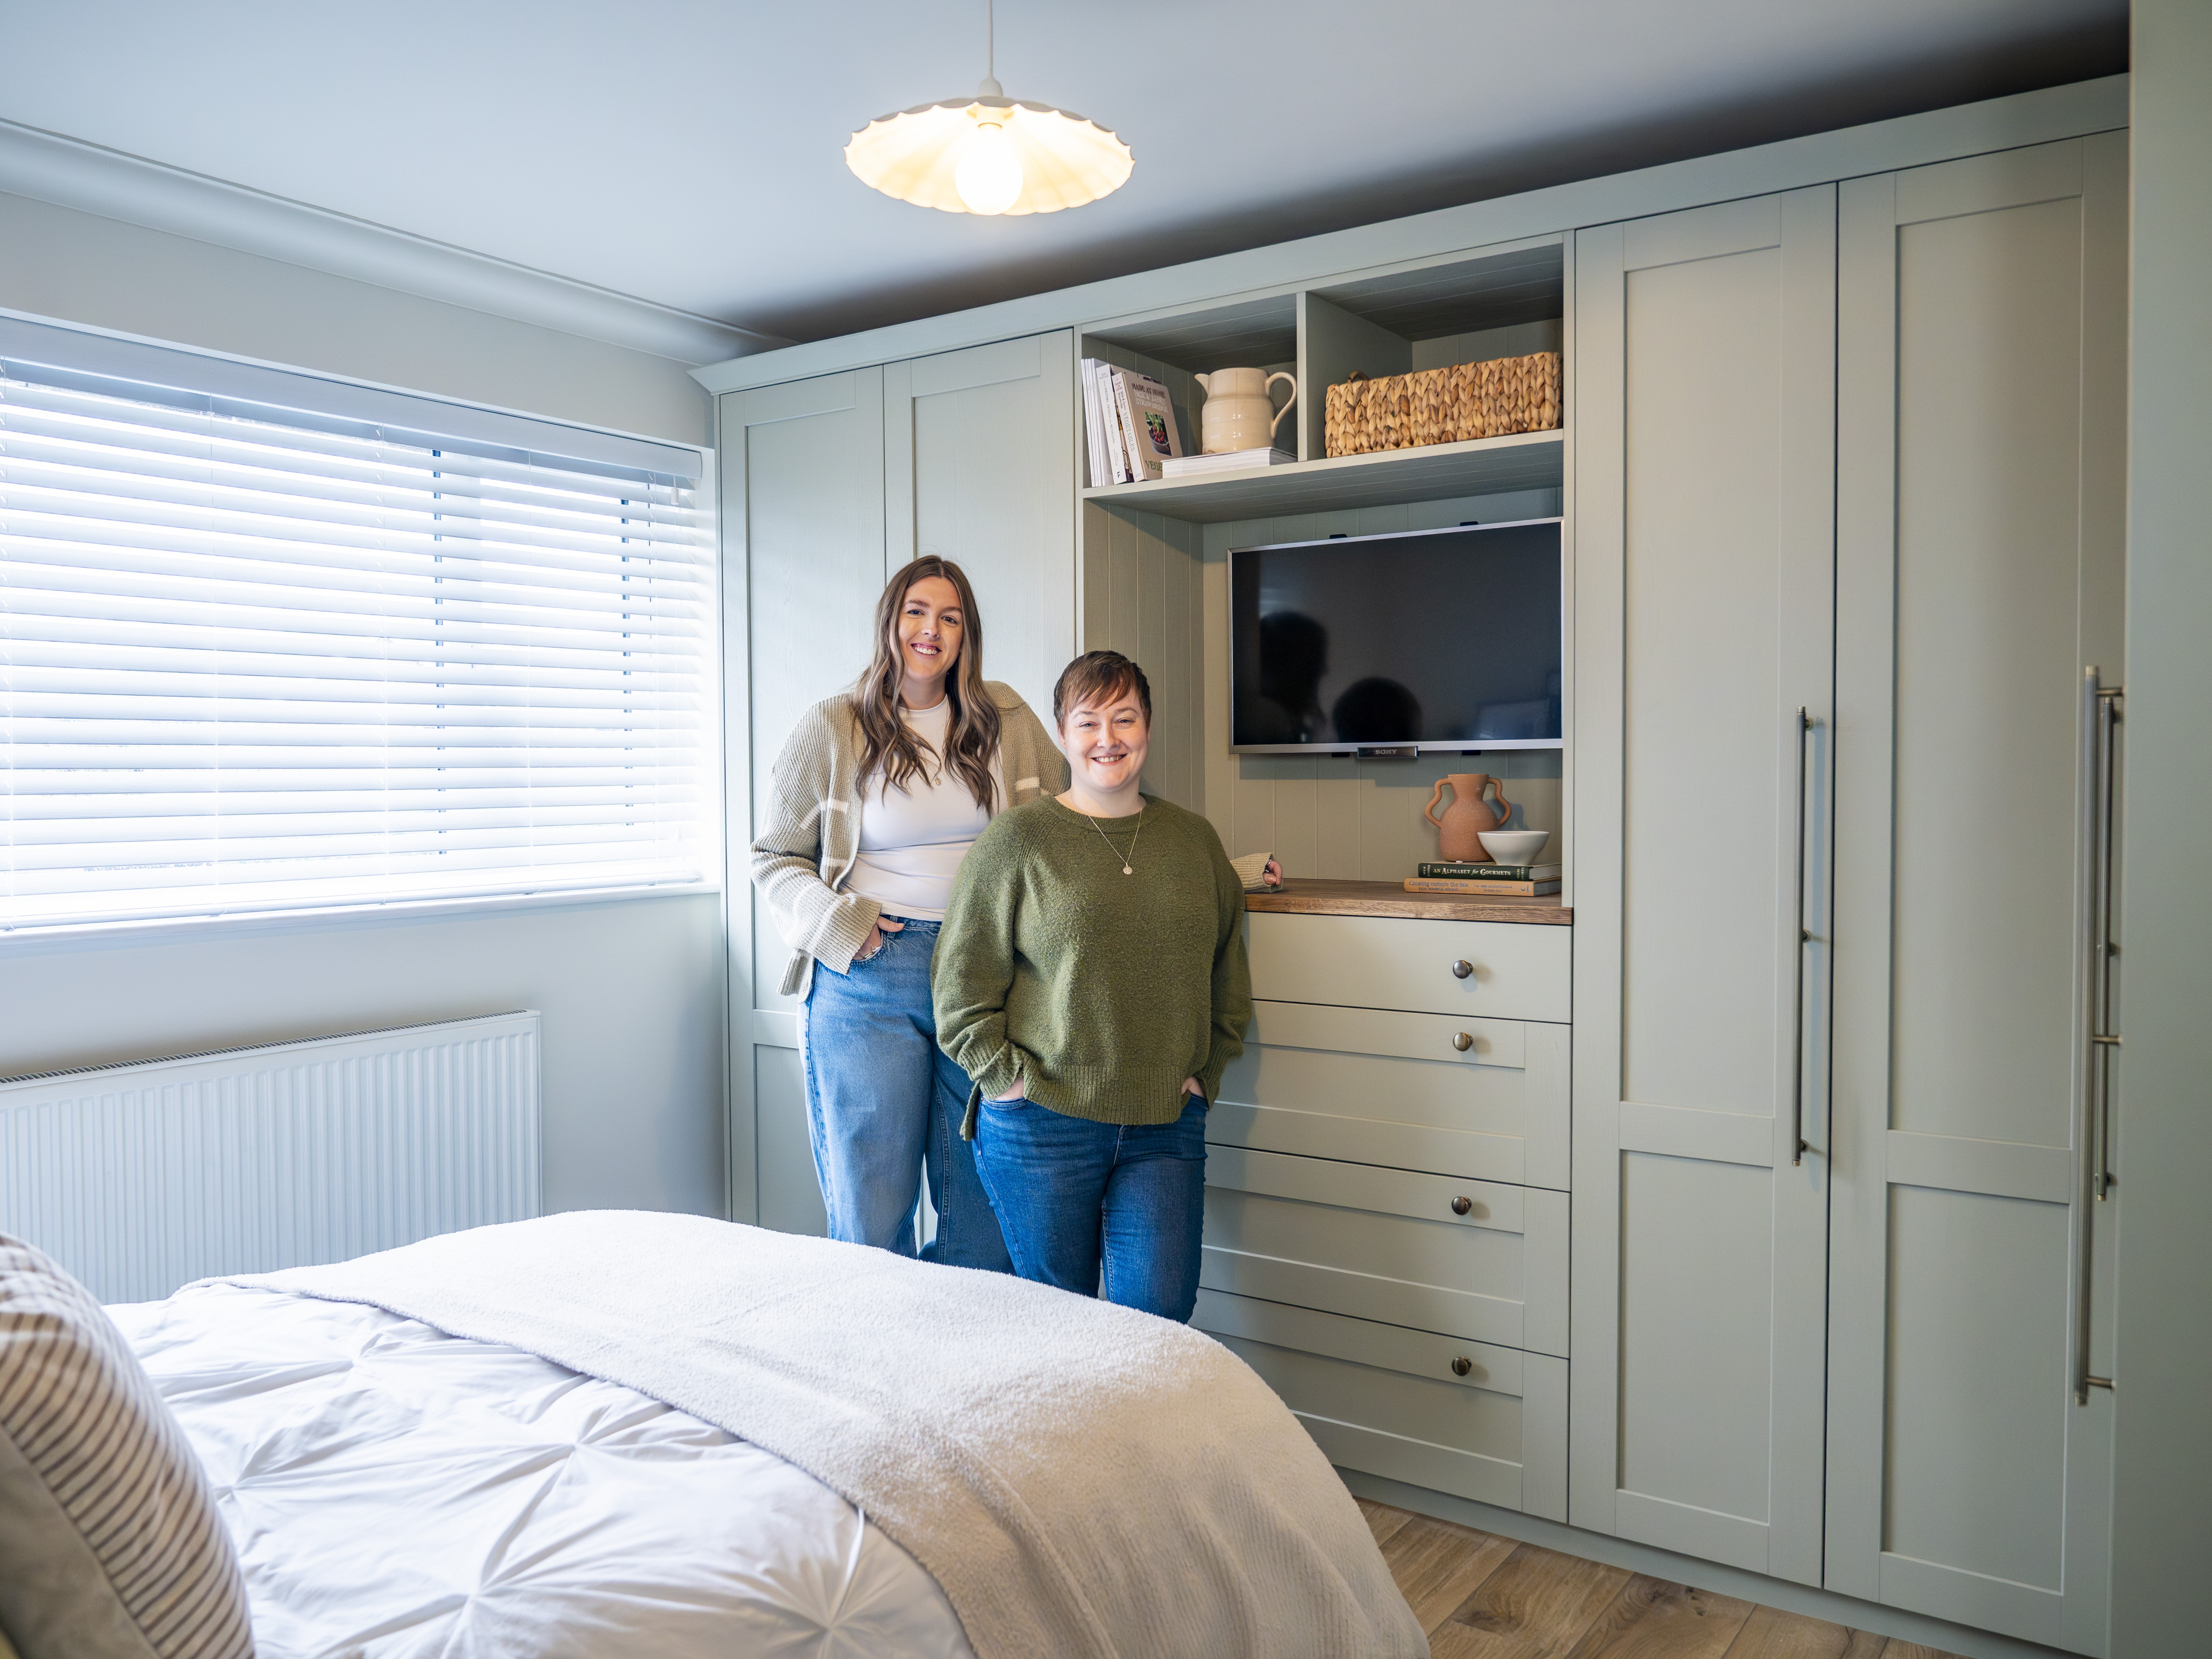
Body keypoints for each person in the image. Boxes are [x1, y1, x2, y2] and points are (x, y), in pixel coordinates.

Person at [750, 555, 1066, 1269]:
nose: (932, 629)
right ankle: (870, 1373)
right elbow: (774, 854)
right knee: (871, 1214)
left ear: (967, 634)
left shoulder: (1005, 718)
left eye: (950, 617)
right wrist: (840, 924)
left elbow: (1081, 819)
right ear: (890, 622)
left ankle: (957, 1376)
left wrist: (1209, 865)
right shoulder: (833, 724)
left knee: (982, 1215)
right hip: (870, 980)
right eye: (917, 611)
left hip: (983, 978)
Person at [933, 650, 1253, 1320]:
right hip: (1043, 1122)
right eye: (1088, 723)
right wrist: (1007, 1080)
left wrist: (1207, 1075)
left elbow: (1228, 974)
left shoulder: (1194, 842)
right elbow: (961, 989)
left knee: (1159, 1325)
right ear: (1061, 735)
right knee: (1061, 1328)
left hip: (1164, 1123)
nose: (1107, 738)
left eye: (1124, 719)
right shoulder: (1017, 841)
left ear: (1147, 727)